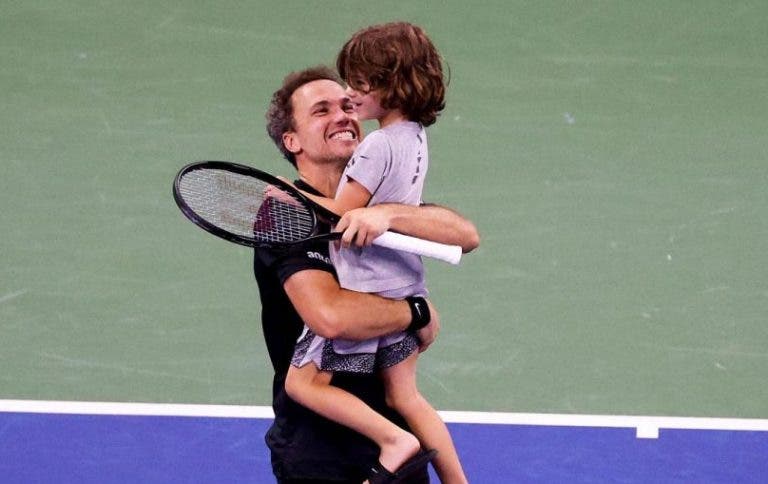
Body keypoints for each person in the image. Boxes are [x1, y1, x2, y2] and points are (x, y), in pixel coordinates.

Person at [258, 65, 479, 483]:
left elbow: (464, 234)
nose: (342, 115)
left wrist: (386, 214)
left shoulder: (380, 203)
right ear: (292, 141)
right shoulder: (284, 214)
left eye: (346, 105)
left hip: (395, 435)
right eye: (321, 111)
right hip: (319, 450)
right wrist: (416, 312)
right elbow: (332, 317)